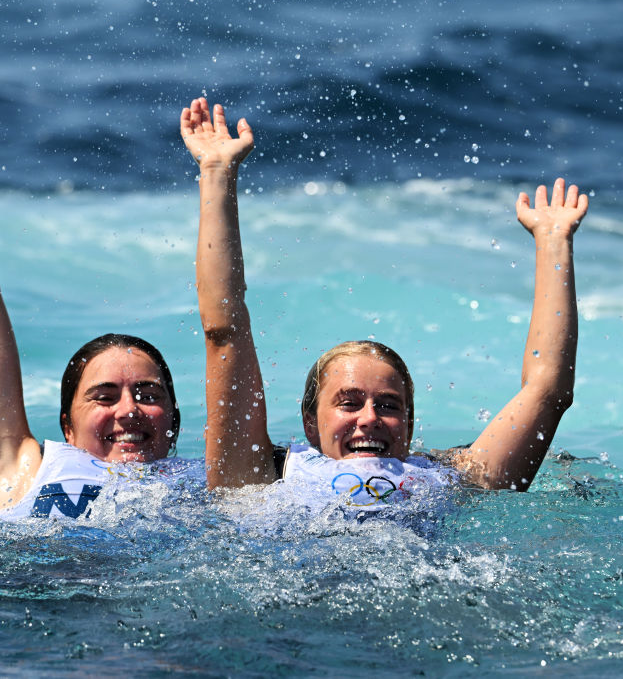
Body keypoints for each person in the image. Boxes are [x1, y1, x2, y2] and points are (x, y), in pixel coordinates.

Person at [180, 97, 587, 505]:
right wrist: (217, 172)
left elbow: (548, 392)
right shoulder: (263, 477)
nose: (370, 419)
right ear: (310, 423)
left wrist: (554, 242)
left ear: (408, 426)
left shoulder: (452, 481)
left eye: (389, 406)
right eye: (349, 403)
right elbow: (223, 332)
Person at [0, 31, 190, 520]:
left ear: (174, 423)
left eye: (149, 396)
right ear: (67, 427)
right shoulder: (18, 473)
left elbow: (225, 333)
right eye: (104, 397)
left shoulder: (218, 485)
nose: (129, 410)